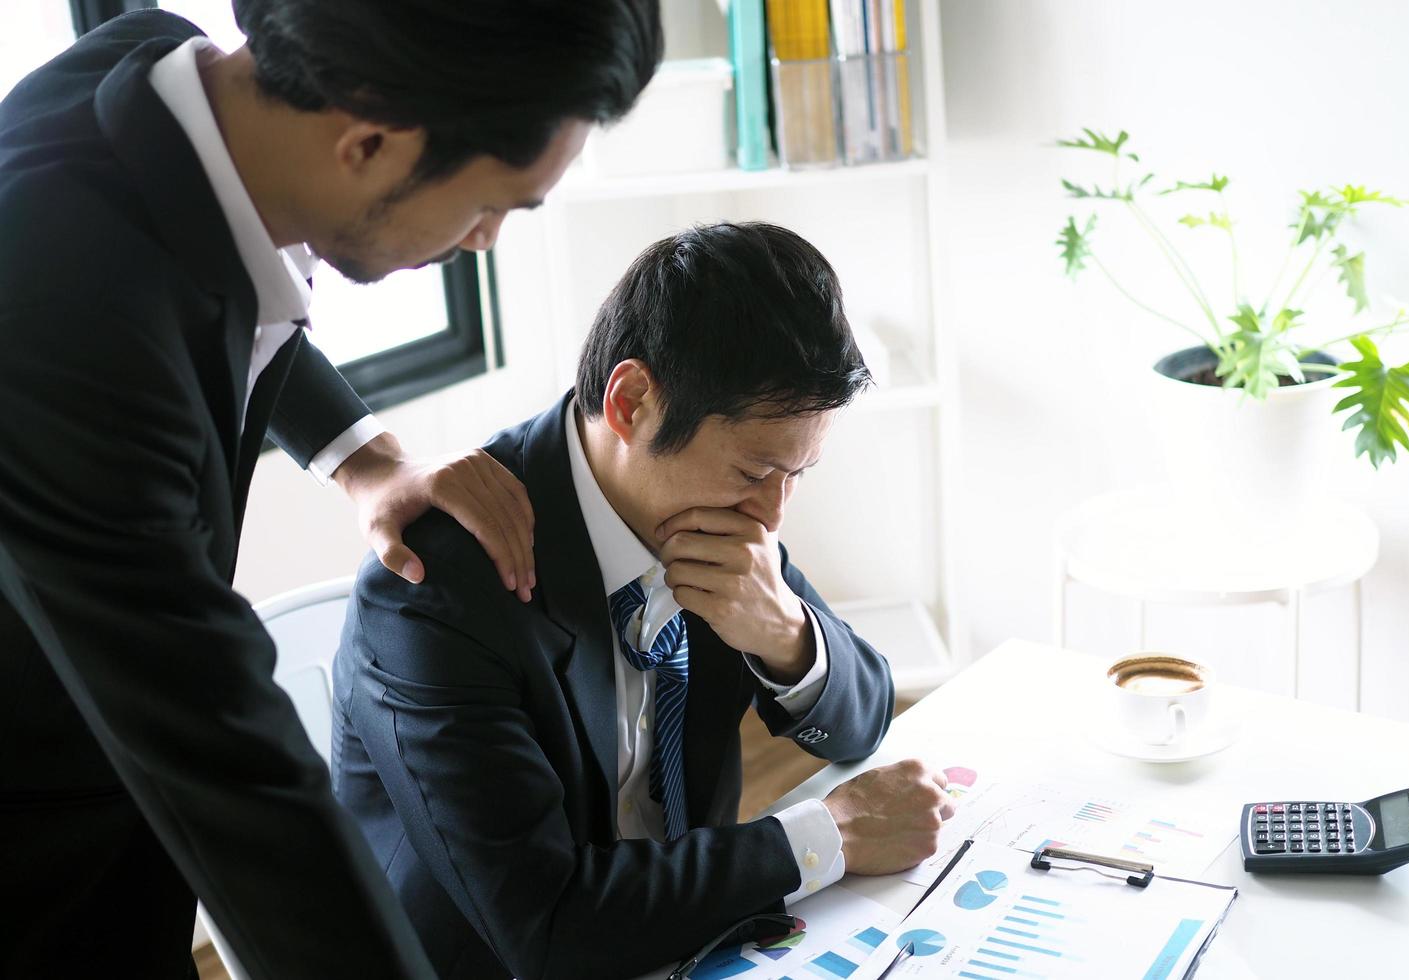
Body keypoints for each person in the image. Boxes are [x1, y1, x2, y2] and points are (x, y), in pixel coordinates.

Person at [0, 2, 660, 977]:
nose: (483, 241)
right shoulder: (64, 307)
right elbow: (236, 771)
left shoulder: (158, 73)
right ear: (371, 138)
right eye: (494, 206)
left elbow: (226, 281)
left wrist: (366, 456)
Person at [333, 222, 955, 980]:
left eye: (798, 474)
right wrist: (829, 834)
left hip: (690, 938)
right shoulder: (433, 597)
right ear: (630, 403)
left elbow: (862, 717)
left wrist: (786, 632)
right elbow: (547, 928)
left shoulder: (721, 515)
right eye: (757, 471)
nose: (774, 514)